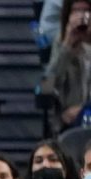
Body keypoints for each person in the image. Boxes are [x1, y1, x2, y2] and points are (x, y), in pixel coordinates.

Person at [45, 0, 91, 131]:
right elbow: (46, 86)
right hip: (68, 123)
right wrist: (66, 47)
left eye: (87, 11)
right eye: (76, 11)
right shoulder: (61, 43)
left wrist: (84, 109)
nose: (82, 17)